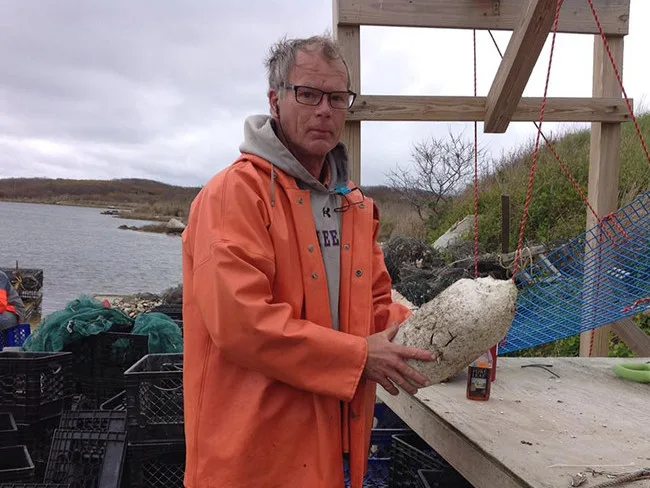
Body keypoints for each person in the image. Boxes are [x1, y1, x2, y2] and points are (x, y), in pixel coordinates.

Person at [181, 34, 436, 488]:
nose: (325, 109)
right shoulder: (234, 195)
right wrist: (360, 357)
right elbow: (242, 323)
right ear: (275, 100)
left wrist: (440, 335)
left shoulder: (355, 206)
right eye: (309, 94)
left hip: (338, 444)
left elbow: (376, 309)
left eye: (338, 97)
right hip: (252, 458)